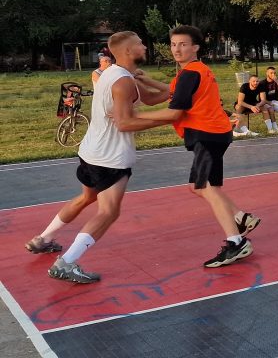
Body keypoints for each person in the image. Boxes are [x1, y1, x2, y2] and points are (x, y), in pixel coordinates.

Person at [27, 32, 172, 283]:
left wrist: (176, 93)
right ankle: (67, 263)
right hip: (110, 158)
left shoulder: (116, 75)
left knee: (87, 197)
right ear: (128, 50)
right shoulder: (123, 81)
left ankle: (42, 239)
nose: (144, 46)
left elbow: (149, 98)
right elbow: (125, 123)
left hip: (91, 151)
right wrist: (170, 117)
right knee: (108, 212)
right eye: (139, 43)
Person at [139, 25, 259, 268]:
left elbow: (174, 113)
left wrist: (131, 119)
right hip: (214, 133)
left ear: (195, 47)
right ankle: (241, 217)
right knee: (206, 187)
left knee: (202, 187)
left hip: (208, 135)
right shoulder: (193, 72)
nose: (177, 49)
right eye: (173, 44)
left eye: (183, 44)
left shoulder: (190, 73)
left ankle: (236, 242)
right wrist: (139, 79)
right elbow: (156, 96)